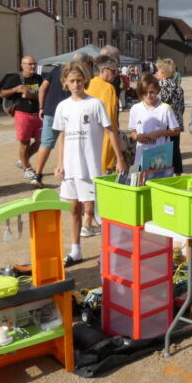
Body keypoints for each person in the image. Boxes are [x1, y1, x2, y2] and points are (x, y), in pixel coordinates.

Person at [53, 62, 127, 264]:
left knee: (98, 212)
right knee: (74, 209)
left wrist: (119, 159)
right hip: (71, 167)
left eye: (79, 80)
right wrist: (60, 163)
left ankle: (106, 252)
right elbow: (62, 135)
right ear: (65, 83)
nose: (75, 84)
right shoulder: (63, 107)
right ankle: (75, 250)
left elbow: (110, 131)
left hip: (92, 167)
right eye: (72, 81)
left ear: (85, 80)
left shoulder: (95, 104)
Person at [0, 56, 43, 182]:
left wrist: (31, 96)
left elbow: (42, 94)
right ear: (22, 65)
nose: (33, 66)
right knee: (25, 143)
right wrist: (15, 89)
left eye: (34, 63)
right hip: (22, 114)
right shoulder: (15, 78)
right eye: (30, 64)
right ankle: (27, 169)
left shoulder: (38, 78)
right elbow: (2, 93)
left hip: (37, 114)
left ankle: (22, 161)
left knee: (41, 142)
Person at [29, 61, 69, 188]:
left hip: (50, 111)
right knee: (68, 143)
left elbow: (43, 88)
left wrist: (41, 107)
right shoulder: (78, 71)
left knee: (46, 143)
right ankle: (65, 175)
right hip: (68, 112)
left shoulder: (56, 69)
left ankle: (38, 175)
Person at [129, 74, 180, 169]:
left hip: (160, 158)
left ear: (157, 90)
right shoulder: (135, 109)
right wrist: (136, 136)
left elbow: (176, 131)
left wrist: (158, 133)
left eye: (151, 92)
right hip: (140, 158)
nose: (148, 95)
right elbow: (132, 131)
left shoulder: (165, 109)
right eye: (144, 92)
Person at [85, 55, 122, 174]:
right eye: (113, 71)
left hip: (88, 143)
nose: (115, 74)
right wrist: (118, 156)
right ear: (102, 70)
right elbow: (110, 123)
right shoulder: (108, 88)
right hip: (104, 146)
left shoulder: (87, 85)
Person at [155, 57, 186, 175]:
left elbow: (157, 106)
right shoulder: (178, 87)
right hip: (176, 124)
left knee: (162, 152)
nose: (156, 73)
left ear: (163, 71)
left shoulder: (160, 86)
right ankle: (178, 174)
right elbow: (182, 107)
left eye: (158, 70)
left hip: (164, 126)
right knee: (175, 151)